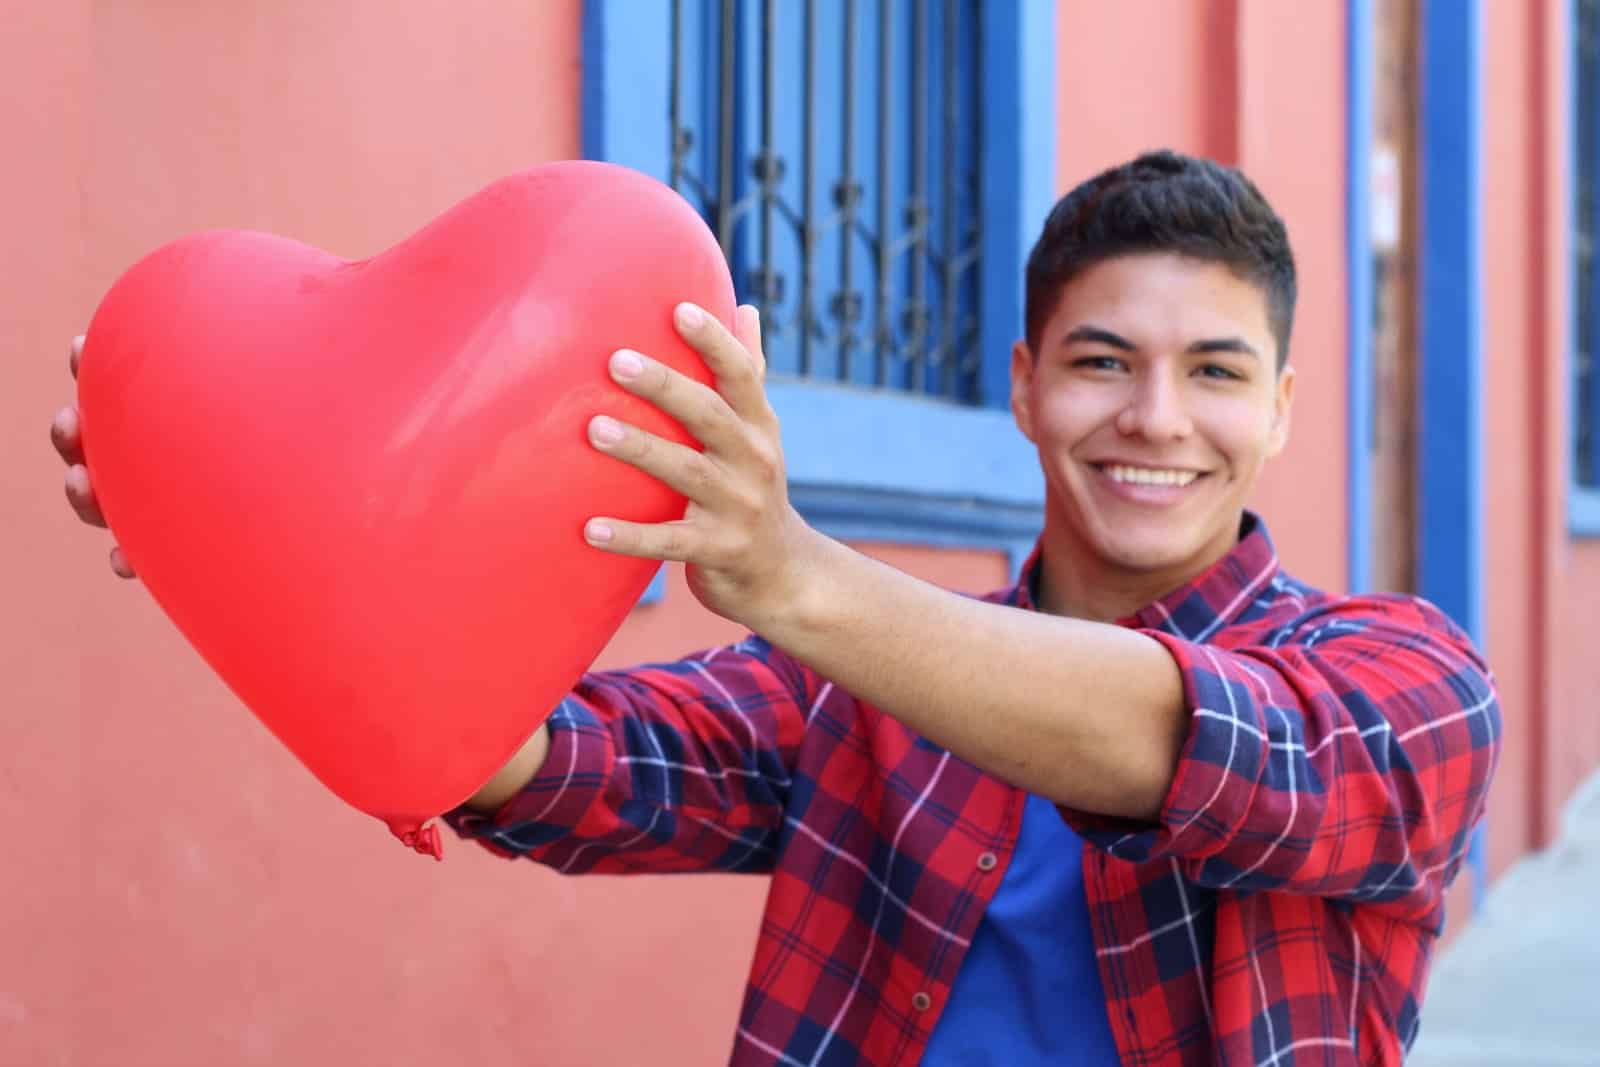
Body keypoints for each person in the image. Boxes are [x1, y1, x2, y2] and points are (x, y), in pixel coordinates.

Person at [52, 150, 1501, 1066]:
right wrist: (249, 531)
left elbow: (1213, 747)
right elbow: (556, 765)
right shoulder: (843, 687)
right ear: (1021, 383)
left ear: (1287, 408)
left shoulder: (1410, 677)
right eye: (1103, 360)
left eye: (1219, 372)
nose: (1155, 419)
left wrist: (795, 572)